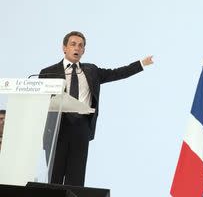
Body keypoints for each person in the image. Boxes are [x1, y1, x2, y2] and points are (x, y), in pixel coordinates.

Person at [39, 31, 153, 186]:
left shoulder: (91, 71)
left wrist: (140, 64)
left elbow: (117, 73)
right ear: (64, 48)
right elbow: (40, 103)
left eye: (80, 45)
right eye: (73, 44)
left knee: (76, 179)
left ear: (84, 51)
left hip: (81, 127)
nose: (77, 48)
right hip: (57, 128)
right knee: (54, 177)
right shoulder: (48, 72)